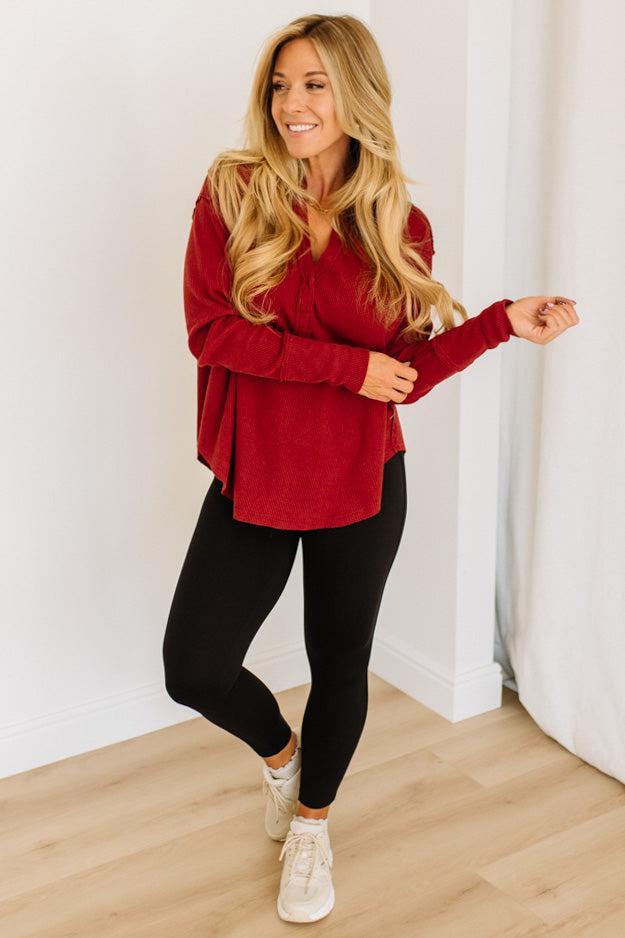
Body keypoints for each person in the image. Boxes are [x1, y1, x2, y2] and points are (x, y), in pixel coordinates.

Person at [162, 13, 580, 925]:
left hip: (360, 477)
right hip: (256, 471)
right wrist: (342, 365)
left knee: (338, 662)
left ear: (355, 95)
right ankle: (284, 765)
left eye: (313, 84)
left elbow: (405, 377)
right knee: (193, 666)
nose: (291, 105)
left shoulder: (400, 224)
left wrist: (498, 320)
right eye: (280, 84)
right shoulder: (233, 191)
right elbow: (212, 332)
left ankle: (312, 825)